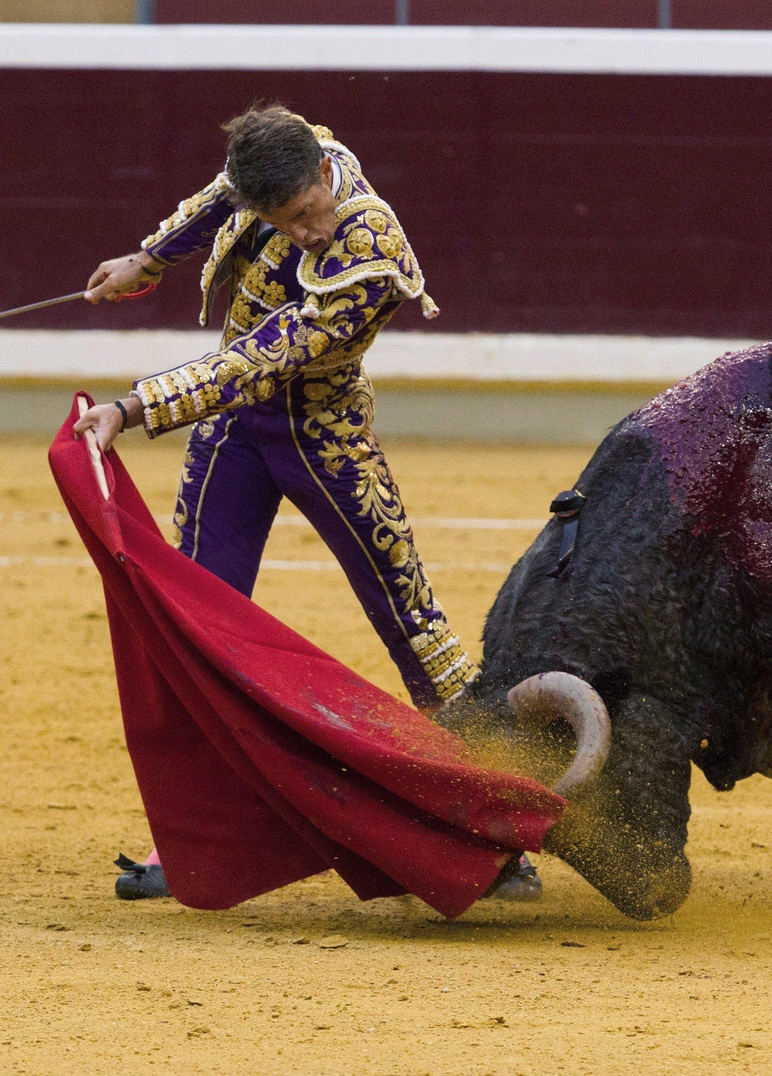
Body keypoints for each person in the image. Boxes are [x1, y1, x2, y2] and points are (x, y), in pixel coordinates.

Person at [75, 105, 541, 904]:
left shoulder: (370, 249)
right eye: (284, 223)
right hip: (235, 435)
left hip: (324, 438)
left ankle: (496, 836)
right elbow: (219, 197)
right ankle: (194, 836)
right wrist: (147, 259)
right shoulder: (293, 158)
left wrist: (136, 406)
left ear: (325, 177)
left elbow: (259, 360)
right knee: (196, 628)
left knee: (416, 630)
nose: (306, 233)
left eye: (307, 213)